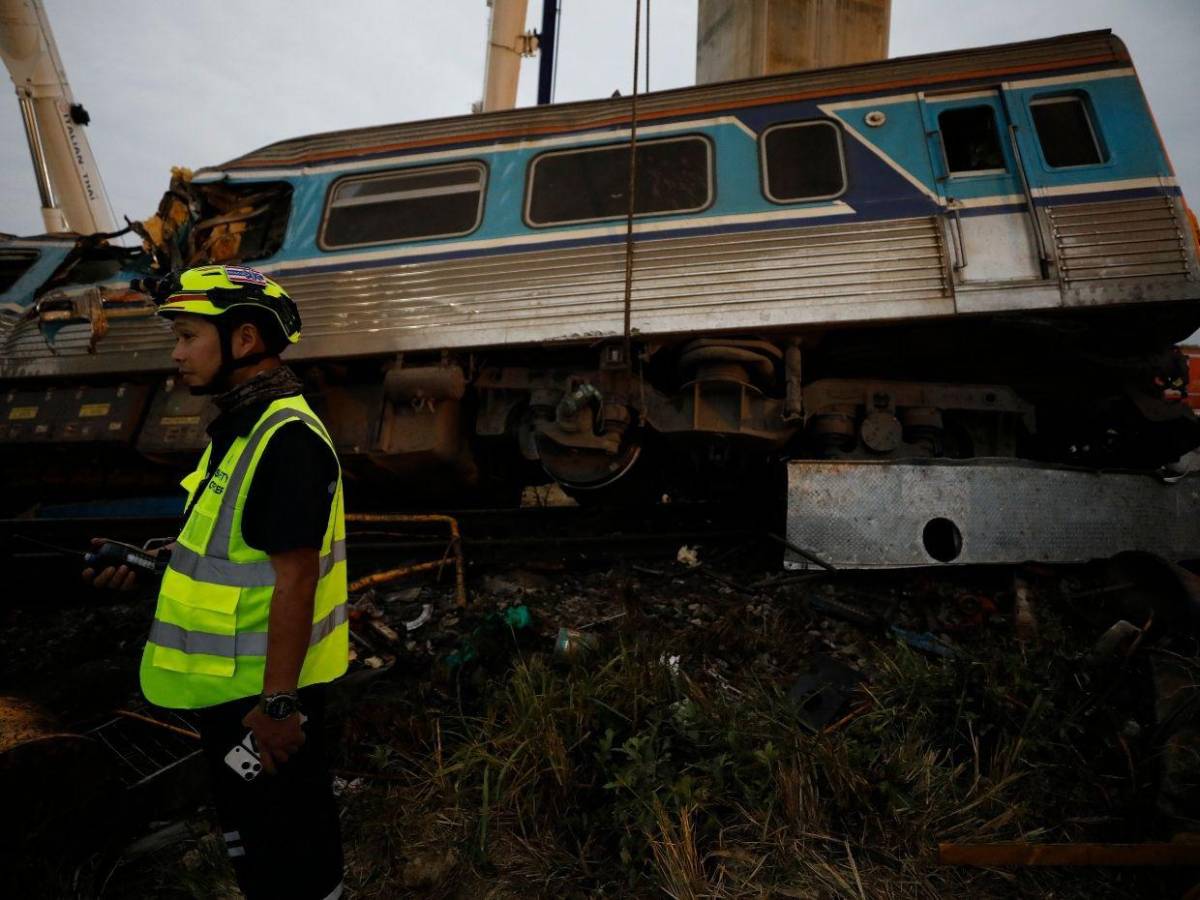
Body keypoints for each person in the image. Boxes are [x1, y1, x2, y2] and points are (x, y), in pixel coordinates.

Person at [84, 264, 348, 900]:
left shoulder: (284, 438)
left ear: (246, 340)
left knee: (290, 849)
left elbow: (294, 579)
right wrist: (161, 559)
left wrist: (279, 708)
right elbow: (230, 545)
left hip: (266, 697)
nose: (176, 353)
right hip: (234, 689)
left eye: (187, 336)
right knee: (256, 843)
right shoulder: (243, 424)